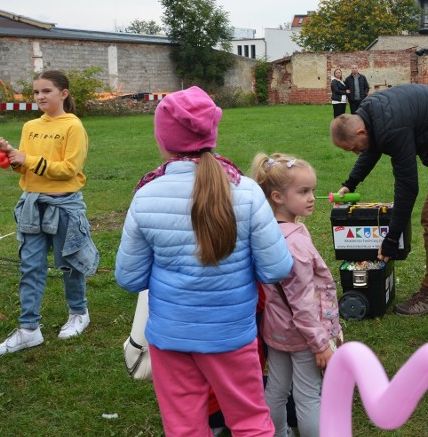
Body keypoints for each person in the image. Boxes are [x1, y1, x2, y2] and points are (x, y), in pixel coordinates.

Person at [114, 86, 294, 436]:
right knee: (251, 422)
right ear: (212, 133)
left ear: (163, 138)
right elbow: (276, 268)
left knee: (183, 427)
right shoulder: (245, 191)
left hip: (170, 337)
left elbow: (129, 278)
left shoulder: (146, 194)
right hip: (231, 335)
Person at [330, 84, 428, 316]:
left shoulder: (391, 127)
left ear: (360, 132)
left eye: (352, 148)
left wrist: (391, 238)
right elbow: (372, 148)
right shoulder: (369, 116)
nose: (355, 153)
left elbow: (407, 187)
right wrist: (351, 182)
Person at [0, 70, 99, 356]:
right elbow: (25, 165)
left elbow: (69, 170)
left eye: (46, 91)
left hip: (64, 206)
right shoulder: (30, 126)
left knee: (69, 263)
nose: (39, 97)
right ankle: (29, 329)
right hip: (31, 205)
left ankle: (78, 313)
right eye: (36, 92)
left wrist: (27, 159)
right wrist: (11, 155)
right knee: (30, 266)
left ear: (63, 93)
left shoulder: (73, 126)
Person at [252, 152, 342, 437]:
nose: (312, 197)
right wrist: (320, 345)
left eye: (312, 190)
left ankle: (277, 433)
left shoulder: (266, 234)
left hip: (275, 331)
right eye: (303, 191)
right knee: (308, 396)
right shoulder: (295, 246)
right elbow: (302, 303)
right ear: (277, 196)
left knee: (277, 388)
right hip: (305, 336)